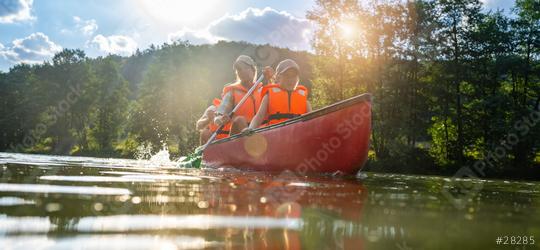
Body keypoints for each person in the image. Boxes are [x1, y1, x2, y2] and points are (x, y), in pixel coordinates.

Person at [248, 59, 312, 129]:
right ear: (278, 78)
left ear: (298, 78)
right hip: (275, 134)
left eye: (294, 76)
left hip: (298, 133)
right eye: (287, 76)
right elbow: (259, 117)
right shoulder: (269, 96)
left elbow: (312, 120)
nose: (291, 80)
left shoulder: (304, 99)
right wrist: (250, 129)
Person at [214, 55, 263, 135]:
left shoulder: (262, 90)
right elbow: (221, 111)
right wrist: (219, 118)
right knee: (240, 120)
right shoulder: (232, 91)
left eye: (246, 68)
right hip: (239, 132)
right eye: (239, 69)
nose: (242, 71)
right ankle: (250, 137)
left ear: (253, 70)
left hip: (262, 130)